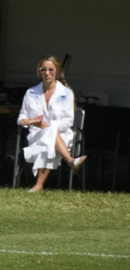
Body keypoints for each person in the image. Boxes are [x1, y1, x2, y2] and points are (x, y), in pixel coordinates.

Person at [19, 56, 86, 192]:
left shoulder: (66, 93)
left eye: (51, 69)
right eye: (43, 69)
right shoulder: (31, 92)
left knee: (50, 134)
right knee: (49, 136)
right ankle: (70, 161)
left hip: (62, 135)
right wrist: (25, 121)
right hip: (37, 134)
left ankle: (38, 185)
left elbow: (68, 121)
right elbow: (22, 115)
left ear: (57, 71)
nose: (47, 72)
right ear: (39, 71)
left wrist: (48, 126)